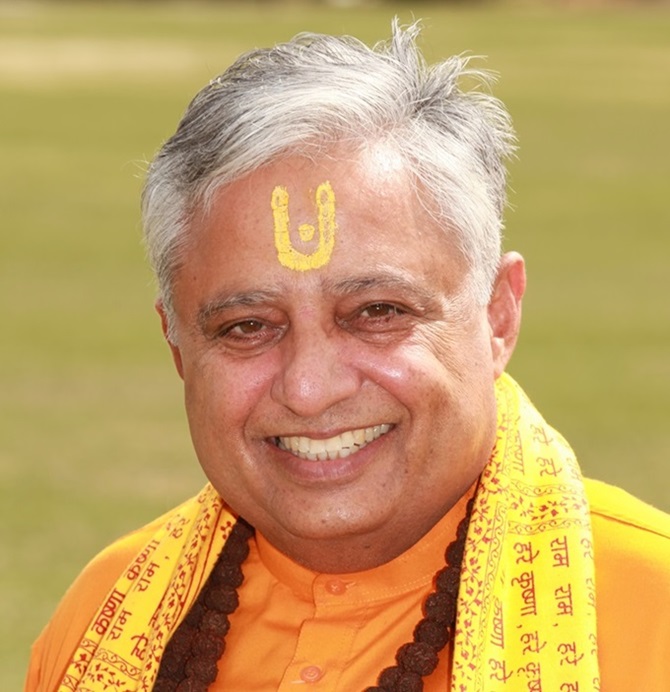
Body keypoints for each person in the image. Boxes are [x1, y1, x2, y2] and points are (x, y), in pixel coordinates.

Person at [26, 21, 670, 692]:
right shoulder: (102, 625)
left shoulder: (652, 617)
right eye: (248, 326)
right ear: (178, 345)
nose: (310, 388)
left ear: (498, 316)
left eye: (377, 313)